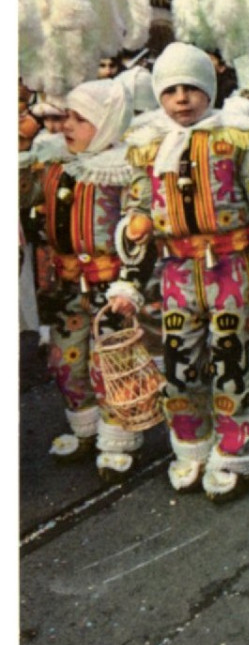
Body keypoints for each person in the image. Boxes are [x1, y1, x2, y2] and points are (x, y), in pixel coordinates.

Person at [109, 42, 249, 503]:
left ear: (209, 90)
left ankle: (234, 450)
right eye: (170, 91)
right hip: (176, 271)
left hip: (230, 266)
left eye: (192, 88)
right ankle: (190, 443)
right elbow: (137, 205)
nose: (182, 99)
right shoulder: (149, 147)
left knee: (233, 358)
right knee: (180, 361)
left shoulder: (238, 138)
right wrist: (133, 247)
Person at [19, 77, 153, 479]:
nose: (66, 127)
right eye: (65, 118)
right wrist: (23, 150)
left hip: (108, 284)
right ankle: (85, 426)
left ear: (107, 121)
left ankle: (117, 436)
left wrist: (130, 282)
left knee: (111, 360)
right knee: (65, 359)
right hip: (65, 286)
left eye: (79, 119)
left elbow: (142, 229)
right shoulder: (55, 164)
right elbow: (22, 199)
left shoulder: (127, 169)